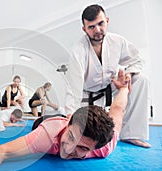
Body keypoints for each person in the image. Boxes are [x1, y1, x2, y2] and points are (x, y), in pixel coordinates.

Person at [0, 69, 130, 171]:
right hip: (48, 123)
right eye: (71, 137)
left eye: (83, 148)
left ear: (96, 147)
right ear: (69, 122)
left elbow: (118, 109)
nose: (69, 149)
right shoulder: (46, 135)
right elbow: (2, 151)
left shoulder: (106, 145)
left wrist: (122, 88)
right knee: (41, 122)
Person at [64, 4, 150, 148]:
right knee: (88, 133)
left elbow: (136, 60)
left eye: (100, 23)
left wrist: (128, 74)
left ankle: (131, 134)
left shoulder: (117, 41)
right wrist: (69, 118)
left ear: (107, 20)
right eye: (91, 27)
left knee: (140, 80)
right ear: (84, 29)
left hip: (110, 88)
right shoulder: (78, 51)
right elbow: (74, 88)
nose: (97, 30)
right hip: (87, 96)